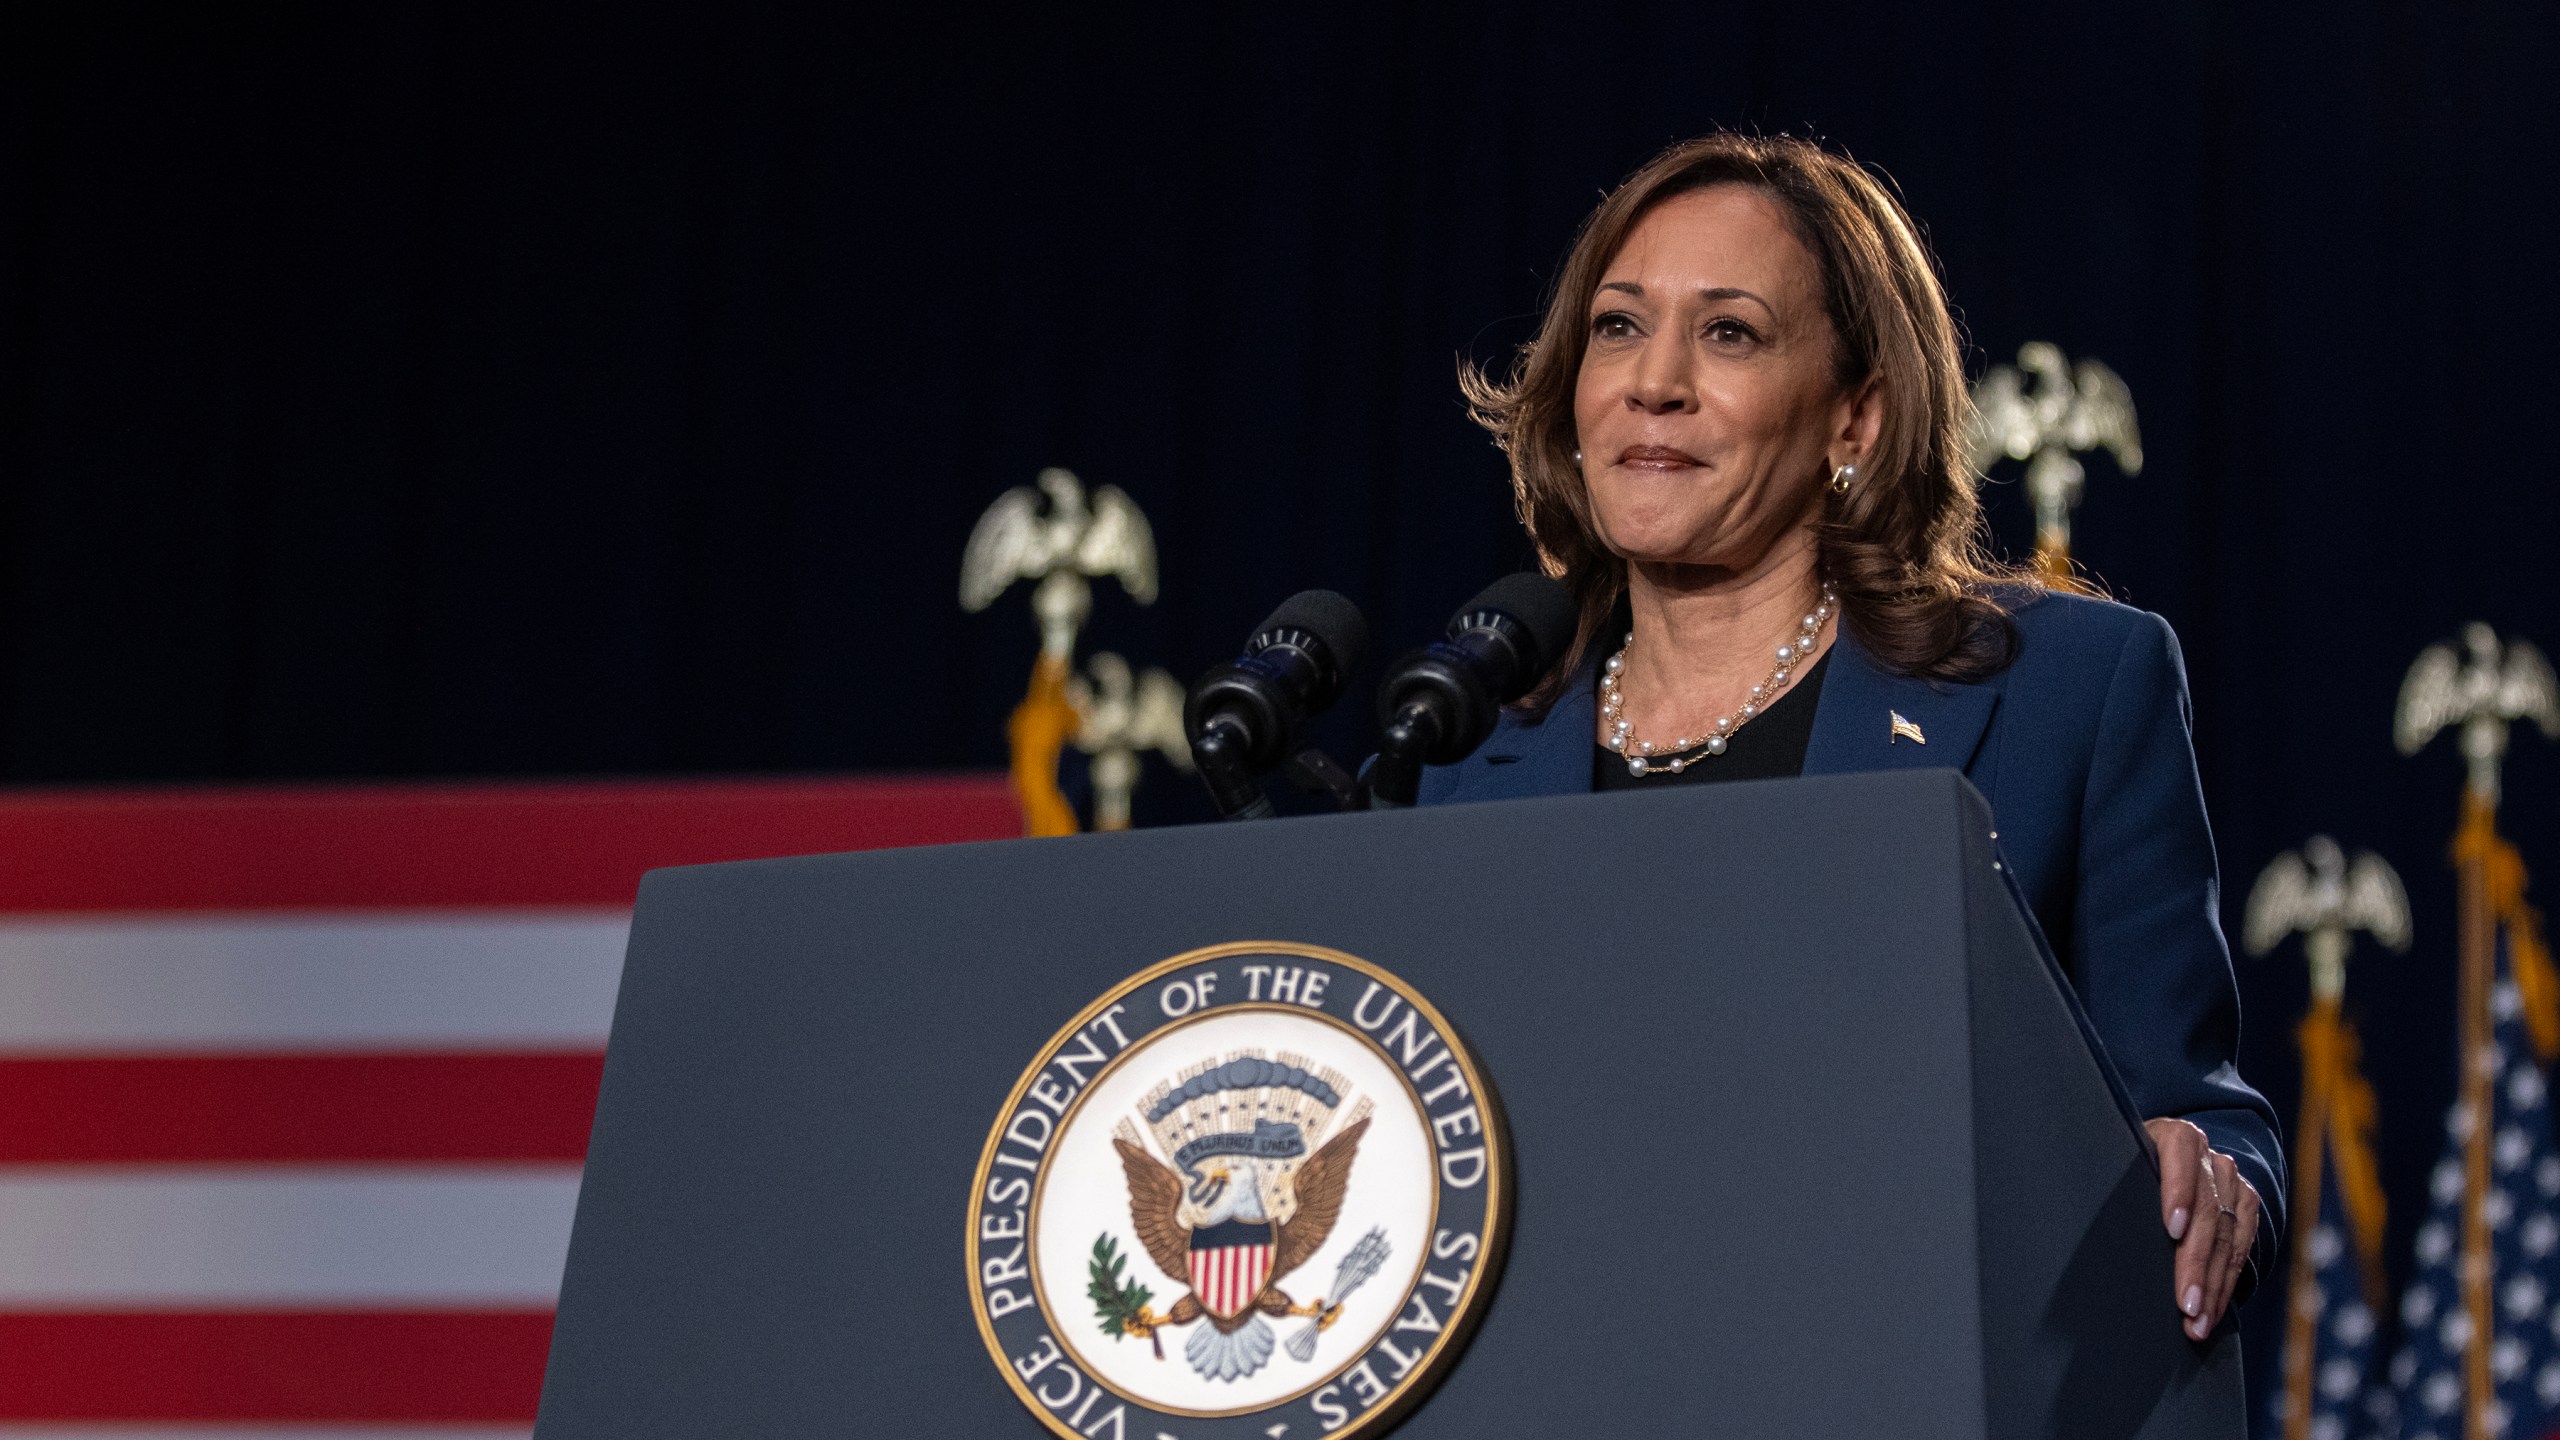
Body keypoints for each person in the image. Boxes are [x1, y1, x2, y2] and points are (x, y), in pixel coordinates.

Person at [1422, 132, 2280, 1342]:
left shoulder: (2069, 693)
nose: (1652, 380)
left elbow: (2193, 1108)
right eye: (1617, 326)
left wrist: (2218, 1181)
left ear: (1855, 418)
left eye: (1729, 333)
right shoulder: (1462, 761)